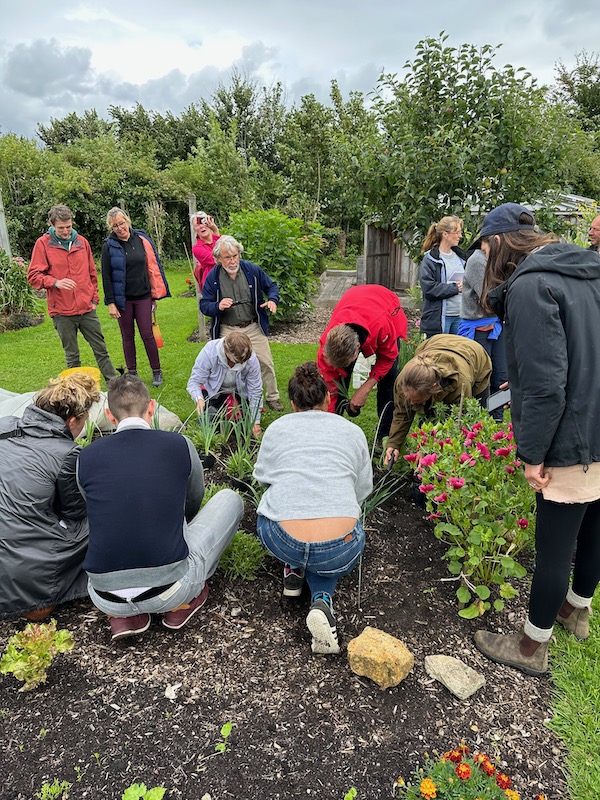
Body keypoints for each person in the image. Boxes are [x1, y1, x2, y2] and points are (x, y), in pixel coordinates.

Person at [471, 202, 600, 676]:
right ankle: (576, 610)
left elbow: (547, 384)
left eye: (485, 249)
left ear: (500, 243)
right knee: (595, 531)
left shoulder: (529, 286)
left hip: (573, 434)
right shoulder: (587, 268)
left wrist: (533, 453)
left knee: (553, 546)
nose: (485, 261)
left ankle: (530, 646)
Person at [77, 374, 243, 640]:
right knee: (230, 500)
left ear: (109, 414)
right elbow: (193, 499)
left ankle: (126, 615)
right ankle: (183, 603)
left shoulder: (85, 457)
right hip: (172, 587)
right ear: (151, 408)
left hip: (104, 595)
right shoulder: (178, 445)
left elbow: (93, 508)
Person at [253, 362, 373, 654]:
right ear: (328, 398)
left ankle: (294, 568)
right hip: (339, 544)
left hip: (284, 539)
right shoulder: (352, 430)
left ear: (293, 404)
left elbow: (261, 477)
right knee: (329, 546)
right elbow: (363, 490)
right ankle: (321, 598)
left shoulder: (277, 428)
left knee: (278, 511)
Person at [0, 372, 100, 621]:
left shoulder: (4, 426)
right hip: (23, 567)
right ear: (73, 421)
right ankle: (38, 598)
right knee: (103, 518)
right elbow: (76, 513)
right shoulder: (68, 453)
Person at [28, 204, 117, 384]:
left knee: (101, 349)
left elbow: (92, 273)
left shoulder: (81, 242)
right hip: (62, 312)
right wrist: (55, 282)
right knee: (72, 355)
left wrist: (94, 299)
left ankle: (114, 386)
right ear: (52, 225)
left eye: (68, 226)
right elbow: (33, 276)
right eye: (61, 228)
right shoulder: (43, 244)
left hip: (86, 309)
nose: (66, 231)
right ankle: (75, 393)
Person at [200, 235, 284, 411]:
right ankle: (226, 397)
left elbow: (272, 286)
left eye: (235, 256)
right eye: (227, 257)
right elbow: (204, 305)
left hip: (252, 326)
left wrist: (273, 300)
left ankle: (273, 397)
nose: (232, 261)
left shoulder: (251, 270)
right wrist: (217, 305)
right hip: (228, 329)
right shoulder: (213, 277)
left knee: (266, 362)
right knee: (227, 364)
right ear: (218, 259)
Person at [317, 285, 408, 441]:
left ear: (357, 350)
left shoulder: (382, 326)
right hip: (354, 300)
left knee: (389, 379)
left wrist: (364, 389)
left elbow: (388, 358)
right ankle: (333, 432)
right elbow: (330, 385)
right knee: (339, 382)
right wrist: (328, 422)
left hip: (385, 305)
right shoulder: (327, 343)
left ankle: (384, 436)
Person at [384, 334, 491, 463]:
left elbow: (455, 423)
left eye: (416, 400)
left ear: (433, 388)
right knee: (429, 414)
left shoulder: (460, 384)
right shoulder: (404, 381)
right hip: (436, 343)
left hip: (475, 356)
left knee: (472, 422)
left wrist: (429, 449)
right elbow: (402, 413)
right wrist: (393, 444)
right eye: (410, 399)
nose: (411, 403)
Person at [101, 207, 170, 388]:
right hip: (123, 299)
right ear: (111, 227)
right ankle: (132, 374)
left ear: (127, 221)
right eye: (115, 226)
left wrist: (154, 294)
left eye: (121, 223)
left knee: (147, 334)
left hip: (143, 296)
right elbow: (106, 276)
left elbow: (153, 267)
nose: (119, 228)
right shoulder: (109, 246)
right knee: (127, 336)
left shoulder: (141, 239)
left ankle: (157, 371)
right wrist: (111, 303)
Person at [458, 240, 507, 419]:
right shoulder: (478, 261)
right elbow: (489, 300)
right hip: (478, 328)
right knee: (481, 380)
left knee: (501, 377)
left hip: (495, 326)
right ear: (490, 240)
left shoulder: (494, 259)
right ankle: (479, 424)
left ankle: (497, 421)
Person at [187, 331, 263, 437]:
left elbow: (255, 390)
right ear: (226, 351)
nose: (241, 364)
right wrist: (199, 398)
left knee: (244, 426)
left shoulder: (251, 359)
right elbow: (194, 382)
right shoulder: (209, 352)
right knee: (211, 423)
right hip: (214, 392)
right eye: (238, 361)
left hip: (239, 391)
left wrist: (256, 421)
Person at [419, 216, 466, 337]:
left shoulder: (461, 257)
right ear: (445, 234)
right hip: (438, 319)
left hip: (459, 316)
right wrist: (455, 288)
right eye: (457, 232)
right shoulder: (430, 259)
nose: (460, 236)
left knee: (457, 354)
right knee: (439, 355)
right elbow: (428, 288)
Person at [191, 211, 220, 290]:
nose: (201, 226)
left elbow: (228, 251)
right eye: (197, 225)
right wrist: (216, 232)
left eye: (203, 222)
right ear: (194, 229)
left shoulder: (218, 238)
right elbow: (219, 258)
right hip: (212, 286)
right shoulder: (197, 248)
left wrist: (215, 230)